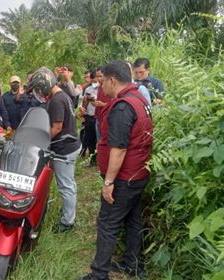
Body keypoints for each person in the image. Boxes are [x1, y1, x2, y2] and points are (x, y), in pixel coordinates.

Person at [80, 61, 153, 280]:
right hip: (139, 173)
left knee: (107, 223)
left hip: (124, 177)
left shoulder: (123, 107)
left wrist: (109, 182)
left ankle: (99, 274)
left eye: (104, 81)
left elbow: (119, 148)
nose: (102, 86)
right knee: (132, 219)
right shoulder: (139, 99)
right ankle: (133, 264)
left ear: (112, 80)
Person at [26, 67, 82, 233]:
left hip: (64, 148)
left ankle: (67, 223)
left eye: (38, 88)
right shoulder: (61, 95)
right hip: (67, 144)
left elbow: (56, 127)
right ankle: (67, 210)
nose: (38, 92)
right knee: (67, 183)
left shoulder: (57, 100)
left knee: (66, 185)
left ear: (45, 84)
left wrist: (41, 142)